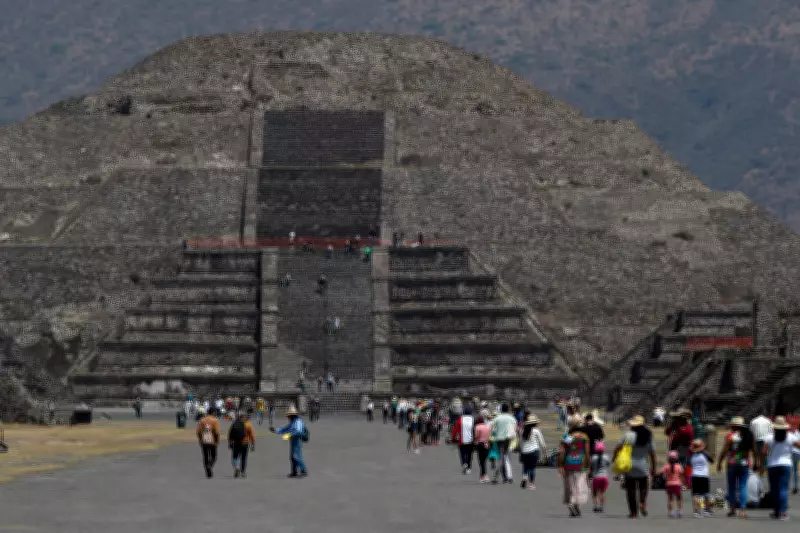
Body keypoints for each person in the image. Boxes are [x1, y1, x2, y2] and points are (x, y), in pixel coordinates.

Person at [614, 415, 657, 519]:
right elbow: (652, 454)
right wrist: (654, 467)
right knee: (643, 486)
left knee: (631, 489)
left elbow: (618, 447)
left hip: (629, 464)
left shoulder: (628, 435)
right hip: (643, 464)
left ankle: (633, 512)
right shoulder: (648, 436)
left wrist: (615, 458)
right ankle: (642, 502)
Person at [716, 416, 757, 518]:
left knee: (732, 488)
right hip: (744, 463)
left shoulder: (730, 436)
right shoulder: (748, 435)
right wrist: (756, 462)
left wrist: (719, 462)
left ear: (733, 426)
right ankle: (743, 510)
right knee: (743, 486)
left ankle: (732, 509)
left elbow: (725, 450)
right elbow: (754, 450)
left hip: (732, 463)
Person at [761, 416, 800, 520]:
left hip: (772, 465)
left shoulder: (769, 437)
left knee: (774, 489)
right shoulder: (790, 437)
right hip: (786, 464)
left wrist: (763, 462)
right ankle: (783, 512)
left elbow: (763, 452)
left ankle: (776, 511)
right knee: (783, 489)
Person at [559, 418, 590, 517]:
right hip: (581, 463)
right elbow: (587, 453)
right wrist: (589, 465)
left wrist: (560, 465)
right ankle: (575, 503)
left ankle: (572, 504)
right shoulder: (584, 437)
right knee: (580, 485)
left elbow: (562, 452)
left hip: (568, 463)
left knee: (570, 485)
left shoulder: (566, 437)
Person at [270, 407, 308, 478]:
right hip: (293, 440)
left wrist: (290, 434)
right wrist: (275, 430)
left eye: (289, 415)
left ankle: (303, 471)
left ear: (292, 415)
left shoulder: (298, 422)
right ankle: (294, 472)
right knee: (292, 457)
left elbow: (299, 431)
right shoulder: (292, 422)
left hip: (297, 440)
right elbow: (285, 429)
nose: (288, 417)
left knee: (296, 456)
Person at [489, 404, 517, 485]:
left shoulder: (497, 418)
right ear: (508, 409)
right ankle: (509, 477)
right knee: (507, 458)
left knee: (501, 459)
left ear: (501, 409)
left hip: (499, 440)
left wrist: (491, 438)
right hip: (508, 439)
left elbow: (492, 429)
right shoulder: (512, 418)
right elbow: (515, 429)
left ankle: (496, 477)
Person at [520, 414, 546, 490]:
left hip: (524, 451)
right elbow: (542, 443)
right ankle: (531, 484)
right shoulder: (536, 430)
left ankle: (524, 478)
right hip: (534, 451)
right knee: (532, 468)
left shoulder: (522, 430)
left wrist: (521, 450)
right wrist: (545, 453)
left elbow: (520, 442)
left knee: (525, 466)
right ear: (535, 423)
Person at [688, 439, 713, 517]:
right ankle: (707, 510)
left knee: (695, 494)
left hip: (695, 475)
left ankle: (696, 511)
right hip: (704, 476)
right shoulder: (705, 453)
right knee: (706, 494)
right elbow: (712, 460)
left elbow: (689, 464)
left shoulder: (691, 455)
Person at [228, 412, 255, 478]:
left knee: (235, 457)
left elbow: (230, 434)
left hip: (236, 443)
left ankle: (237, 468)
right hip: (245, 443)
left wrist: (230, 442)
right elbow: (252, 435)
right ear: (245, 418)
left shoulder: (235, 424)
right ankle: (243, 472)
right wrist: (253, 444)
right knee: (243, 459)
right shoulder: (248, 425)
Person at [196, 407, 221, 478]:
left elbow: (198, 432)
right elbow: (216, 432)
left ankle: (208, 471)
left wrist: (200, 439)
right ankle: (209, 465)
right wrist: (217, 440)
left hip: (204, 441)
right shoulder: (215, 420)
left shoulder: (202, 420)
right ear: (213, 412)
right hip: (212, 441)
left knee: (206, 456)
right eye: (215, 412)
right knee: (214, 456)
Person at [451, 406, 475, 474]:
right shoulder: (473, 419)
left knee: (462, 453)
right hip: (471, 440)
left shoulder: (460, 419)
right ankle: (469, 468)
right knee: (470, 454)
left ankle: (464, 463)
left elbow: (455, 430)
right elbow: (475, 429)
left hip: (461, 440)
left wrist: (453, 438)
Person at [662, 450, 685, 518]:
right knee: (679, 498)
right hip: (677, 484)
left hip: (669, 484)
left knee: (670, 499)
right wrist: (683, 483)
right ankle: (679, 511)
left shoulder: (666, 466)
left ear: (668, 458)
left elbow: (661, 473)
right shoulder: (679, 466)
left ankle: (671, 512)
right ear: (677, 458)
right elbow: (682, 475)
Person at [590, 441, 610, 513]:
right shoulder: (606, 457)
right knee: (602, 493)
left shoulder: (593, 457)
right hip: (604, 477)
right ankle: (601, 507)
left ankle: (595, 507)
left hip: (596, 477)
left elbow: (591, 467)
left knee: (594, 493)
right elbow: (608, 465)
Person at [474, 414, 491, 483]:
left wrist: (475, 442)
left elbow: (476, 436)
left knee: (481, 461)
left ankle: (483, 476)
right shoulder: (487, 427)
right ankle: (484, 475)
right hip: (487, 444)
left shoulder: (477, 427)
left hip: (480, 444)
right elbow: (489, 435)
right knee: (484, 460)